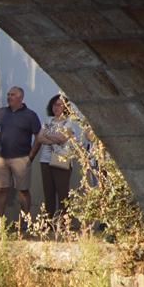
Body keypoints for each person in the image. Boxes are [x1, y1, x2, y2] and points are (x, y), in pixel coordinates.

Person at [0, 85, 43, 233]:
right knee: (0, 190)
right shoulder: (2, 112)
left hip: (21, 158)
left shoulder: (30, 115)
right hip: (2, 158)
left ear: (20, 97)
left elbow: (38, 137)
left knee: (23, 191)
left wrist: (31, 156)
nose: (9, 97)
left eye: (12, 95)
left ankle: (26, 222)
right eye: (8, 95)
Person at [36, 94, 82, 233]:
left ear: (66, 107)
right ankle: (48, 224)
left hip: (61, 160)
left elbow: (63, 138)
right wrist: (53, 138)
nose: (57, 107)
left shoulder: (68, 122)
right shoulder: (47, 120)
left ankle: (63, 224)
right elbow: (39, 138)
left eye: (60, 104)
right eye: (55, 104)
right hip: (45, 160)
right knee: (48, 192)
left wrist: (48, 136)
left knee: (62, 193)